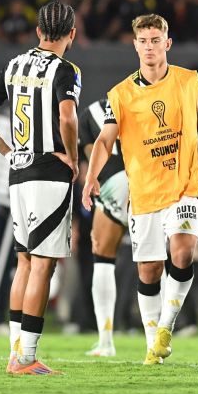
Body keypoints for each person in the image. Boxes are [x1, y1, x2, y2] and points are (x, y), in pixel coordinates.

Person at [82, 13, 198, 365]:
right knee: (149, 271)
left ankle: (165, 329)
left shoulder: (191, 82)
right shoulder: (121, 94)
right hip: (143, 194)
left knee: (183, 252)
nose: (149, 47)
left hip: (183, 186)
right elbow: (103, 139)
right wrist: (91, 176)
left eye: (156, 40)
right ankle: (151, 348)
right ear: (135, 45)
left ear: (167, 44)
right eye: (143, 41)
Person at [0, 0, 81, 375]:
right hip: (49, 170)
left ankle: (15, 353)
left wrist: (6, 150)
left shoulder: (14, 65)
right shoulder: (65, 70)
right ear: (71, 34)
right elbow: (67, 115)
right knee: (43, 265)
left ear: (37, 32)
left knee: (24, 262)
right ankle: (26, 358)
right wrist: (72, 155)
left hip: (18, 172)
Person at [78, 97, 129, 357]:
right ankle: (158, 337)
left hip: (114, 181)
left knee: (102, 256)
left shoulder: (88, 113)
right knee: (154, 259)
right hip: (150, 181)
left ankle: (106, 341)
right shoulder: (137, 99)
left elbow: (92, 157)